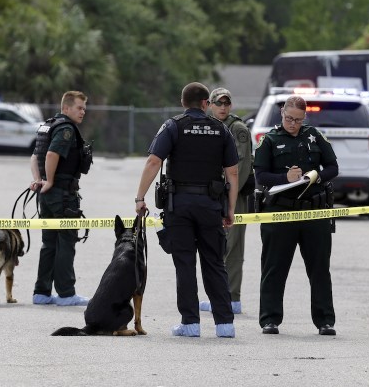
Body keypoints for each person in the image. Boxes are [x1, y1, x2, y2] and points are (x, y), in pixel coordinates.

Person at [135, 82, 239, 338]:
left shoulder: (173, 126)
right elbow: (233, 173)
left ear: (183, 103)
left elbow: (153, 161)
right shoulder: (221, 130)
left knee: (184, 263)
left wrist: (140, 198)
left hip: (179, 204)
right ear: (206, 103)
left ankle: (190, 323)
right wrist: (230, 210)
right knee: (214, 263)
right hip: (210, 205)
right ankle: (225, 325)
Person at [254, 95, 338, 336]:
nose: (293, 124)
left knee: (319, 268)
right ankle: (270, 319)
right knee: (274, 267)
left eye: (298, 120)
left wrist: (317, 176)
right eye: (289, 118)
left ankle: (325, 320)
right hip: (280, 211)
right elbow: (260, 176)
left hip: (314, 210)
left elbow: (333, 166)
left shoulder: (314, 136)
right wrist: (285, 179)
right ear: (282, 113)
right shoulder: (268, 140)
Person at [29, 91, 90, 306]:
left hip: (46, 195)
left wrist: (39, 180)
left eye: (84, 108)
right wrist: (51, 181)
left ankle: (42, 293)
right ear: (66, 108)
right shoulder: (65, 129)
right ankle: (66, 294)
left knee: (49, 243)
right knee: (66, 242)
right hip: (62, 194)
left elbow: (35, 155)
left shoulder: (48, 125)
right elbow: (51, 155)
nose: (83, 111)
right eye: (79, 107)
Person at [199, 88, 253, 315]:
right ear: (209, 104)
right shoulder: (208, 126)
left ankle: (231, 297)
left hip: (233, 196)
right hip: (213, 194)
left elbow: (240, 169)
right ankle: (221, 295)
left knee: (232, 247)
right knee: (217, 246)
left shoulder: (237, 129)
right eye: (218, 103)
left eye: (226, 103)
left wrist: (228, 200)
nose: (222, 107)